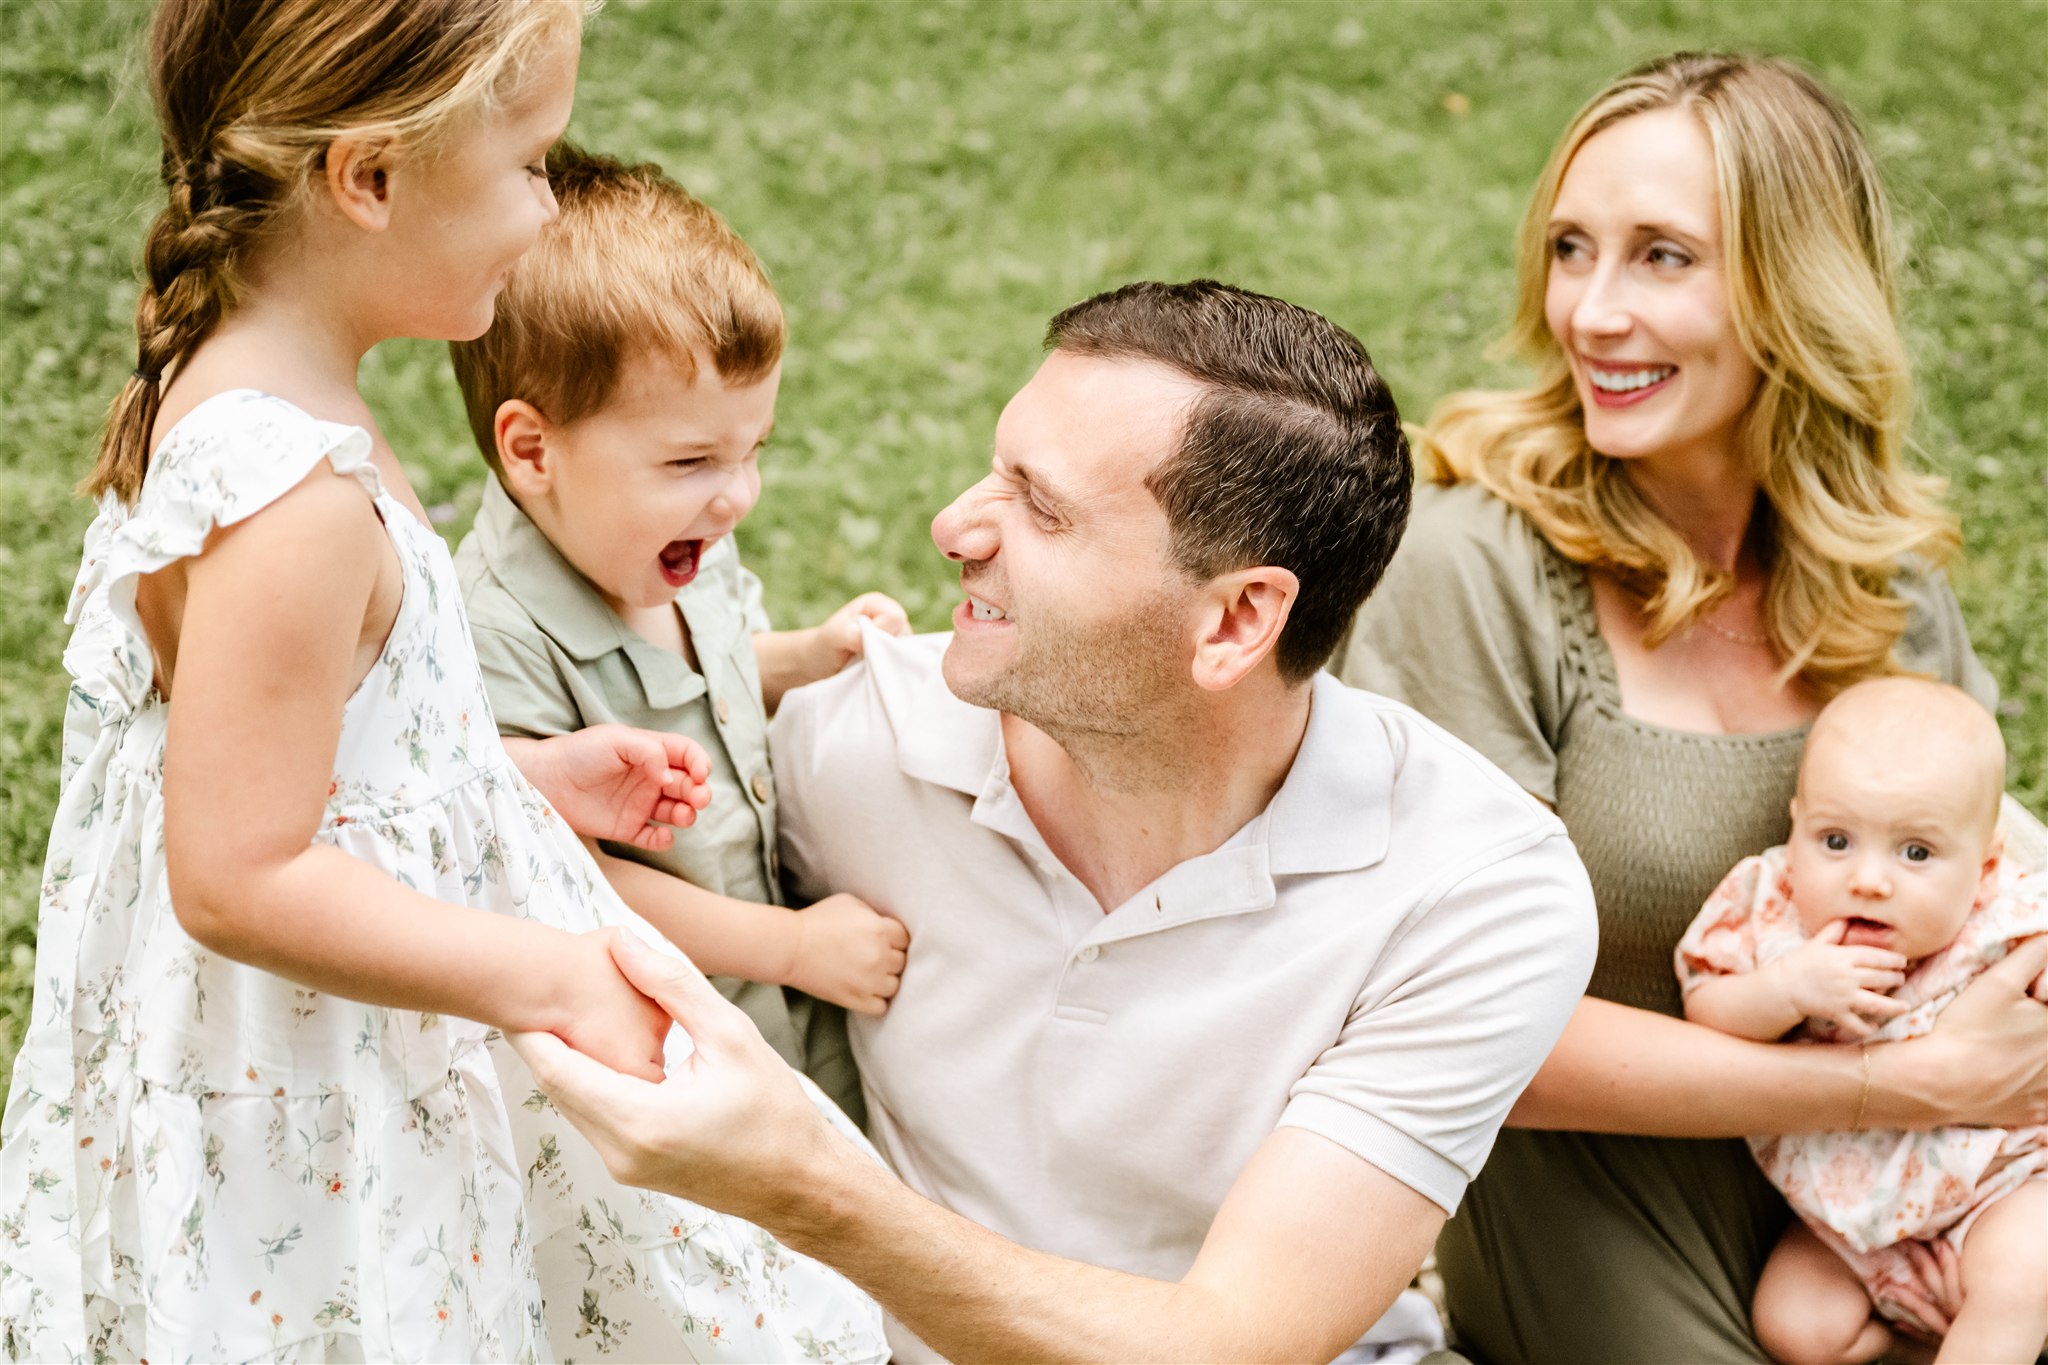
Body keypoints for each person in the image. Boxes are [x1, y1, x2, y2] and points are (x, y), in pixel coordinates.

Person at [0, 3, 883, 1360]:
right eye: (530, 162)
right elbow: (236, 871)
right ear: (370, 177)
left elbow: (287, 747)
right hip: (314, 1105)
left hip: (336, 1054)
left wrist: (512, 772)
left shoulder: (262, 384)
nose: (546, 209)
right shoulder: (289, 495)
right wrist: (550, 975)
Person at [515, 279, 1600, 1363]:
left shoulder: (1471, 890)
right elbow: (471, 829)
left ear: (1233, 620)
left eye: (1039, 508)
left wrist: (806, 1185)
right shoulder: (855, 742)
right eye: (997, 470)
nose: (951, 527)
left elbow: (1231, 1344)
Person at [1333, 51, 2048, 1363]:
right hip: (1602, 1201)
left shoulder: (1880, 580)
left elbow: (1998, 882)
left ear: (1795, 289)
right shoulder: (1473, 566)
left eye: (1662, 256)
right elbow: (1449, 1018)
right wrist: (1894, 1083)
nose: (1591, 311)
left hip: (1919, 1205)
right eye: (1570, 248)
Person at [451, 142, 912, 1127]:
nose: (735, 495)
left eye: (752, 450)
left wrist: (802, 656)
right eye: (692, 458)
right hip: (669, 1047)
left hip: (784, 995)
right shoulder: (490, 634)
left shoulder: (670, 543)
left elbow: (694, 676)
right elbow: (566, 875)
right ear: (533, 451)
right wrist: (787, 950)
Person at [1677, 678, 2046, 1365]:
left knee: (2021, 1273)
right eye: (1836, 839)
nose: (1869, 879)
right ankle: (1911, 1339)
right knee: (1794, 1324)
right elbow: (1707, 1005)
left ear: (1986, 860)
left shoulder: (2006, 914)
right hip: (1850, 1210)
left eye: (1915, 853)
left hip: (1999, 1184)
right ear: (1796, 823)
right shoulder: (1772, 909)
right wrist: (1786, 989)